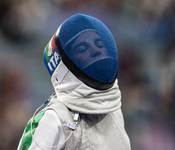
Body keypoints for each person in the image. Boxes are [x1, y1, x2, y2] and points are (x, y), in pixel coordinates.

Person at [17, 14, 131, 150]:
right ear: (64, 65)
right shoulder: (53, 119)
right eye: (82, 48)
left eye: (100, 44)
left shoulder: (113, 109)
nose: (96, 50)